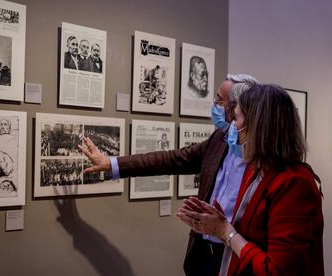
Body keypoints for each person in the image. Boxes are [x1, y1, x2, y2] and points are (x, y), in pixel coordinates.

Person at [79, 73, 259, 276]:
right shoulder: (220, 138)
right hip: (203, 255)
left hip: (238, 259)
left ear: (237, 107)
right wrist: (111, 164)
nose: (214, 104)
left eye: (219, 99)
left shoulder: (263, 157)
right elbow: (172, 159)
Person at [177, 84, 324, 275]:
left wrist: (225, 231)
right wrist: (213, 221)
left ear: (258, 127)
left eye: (237, 118)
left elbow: (275, 271)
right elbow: (249, 235)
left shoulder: (295, 184)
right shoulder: (257, 171)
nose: (232, 125)